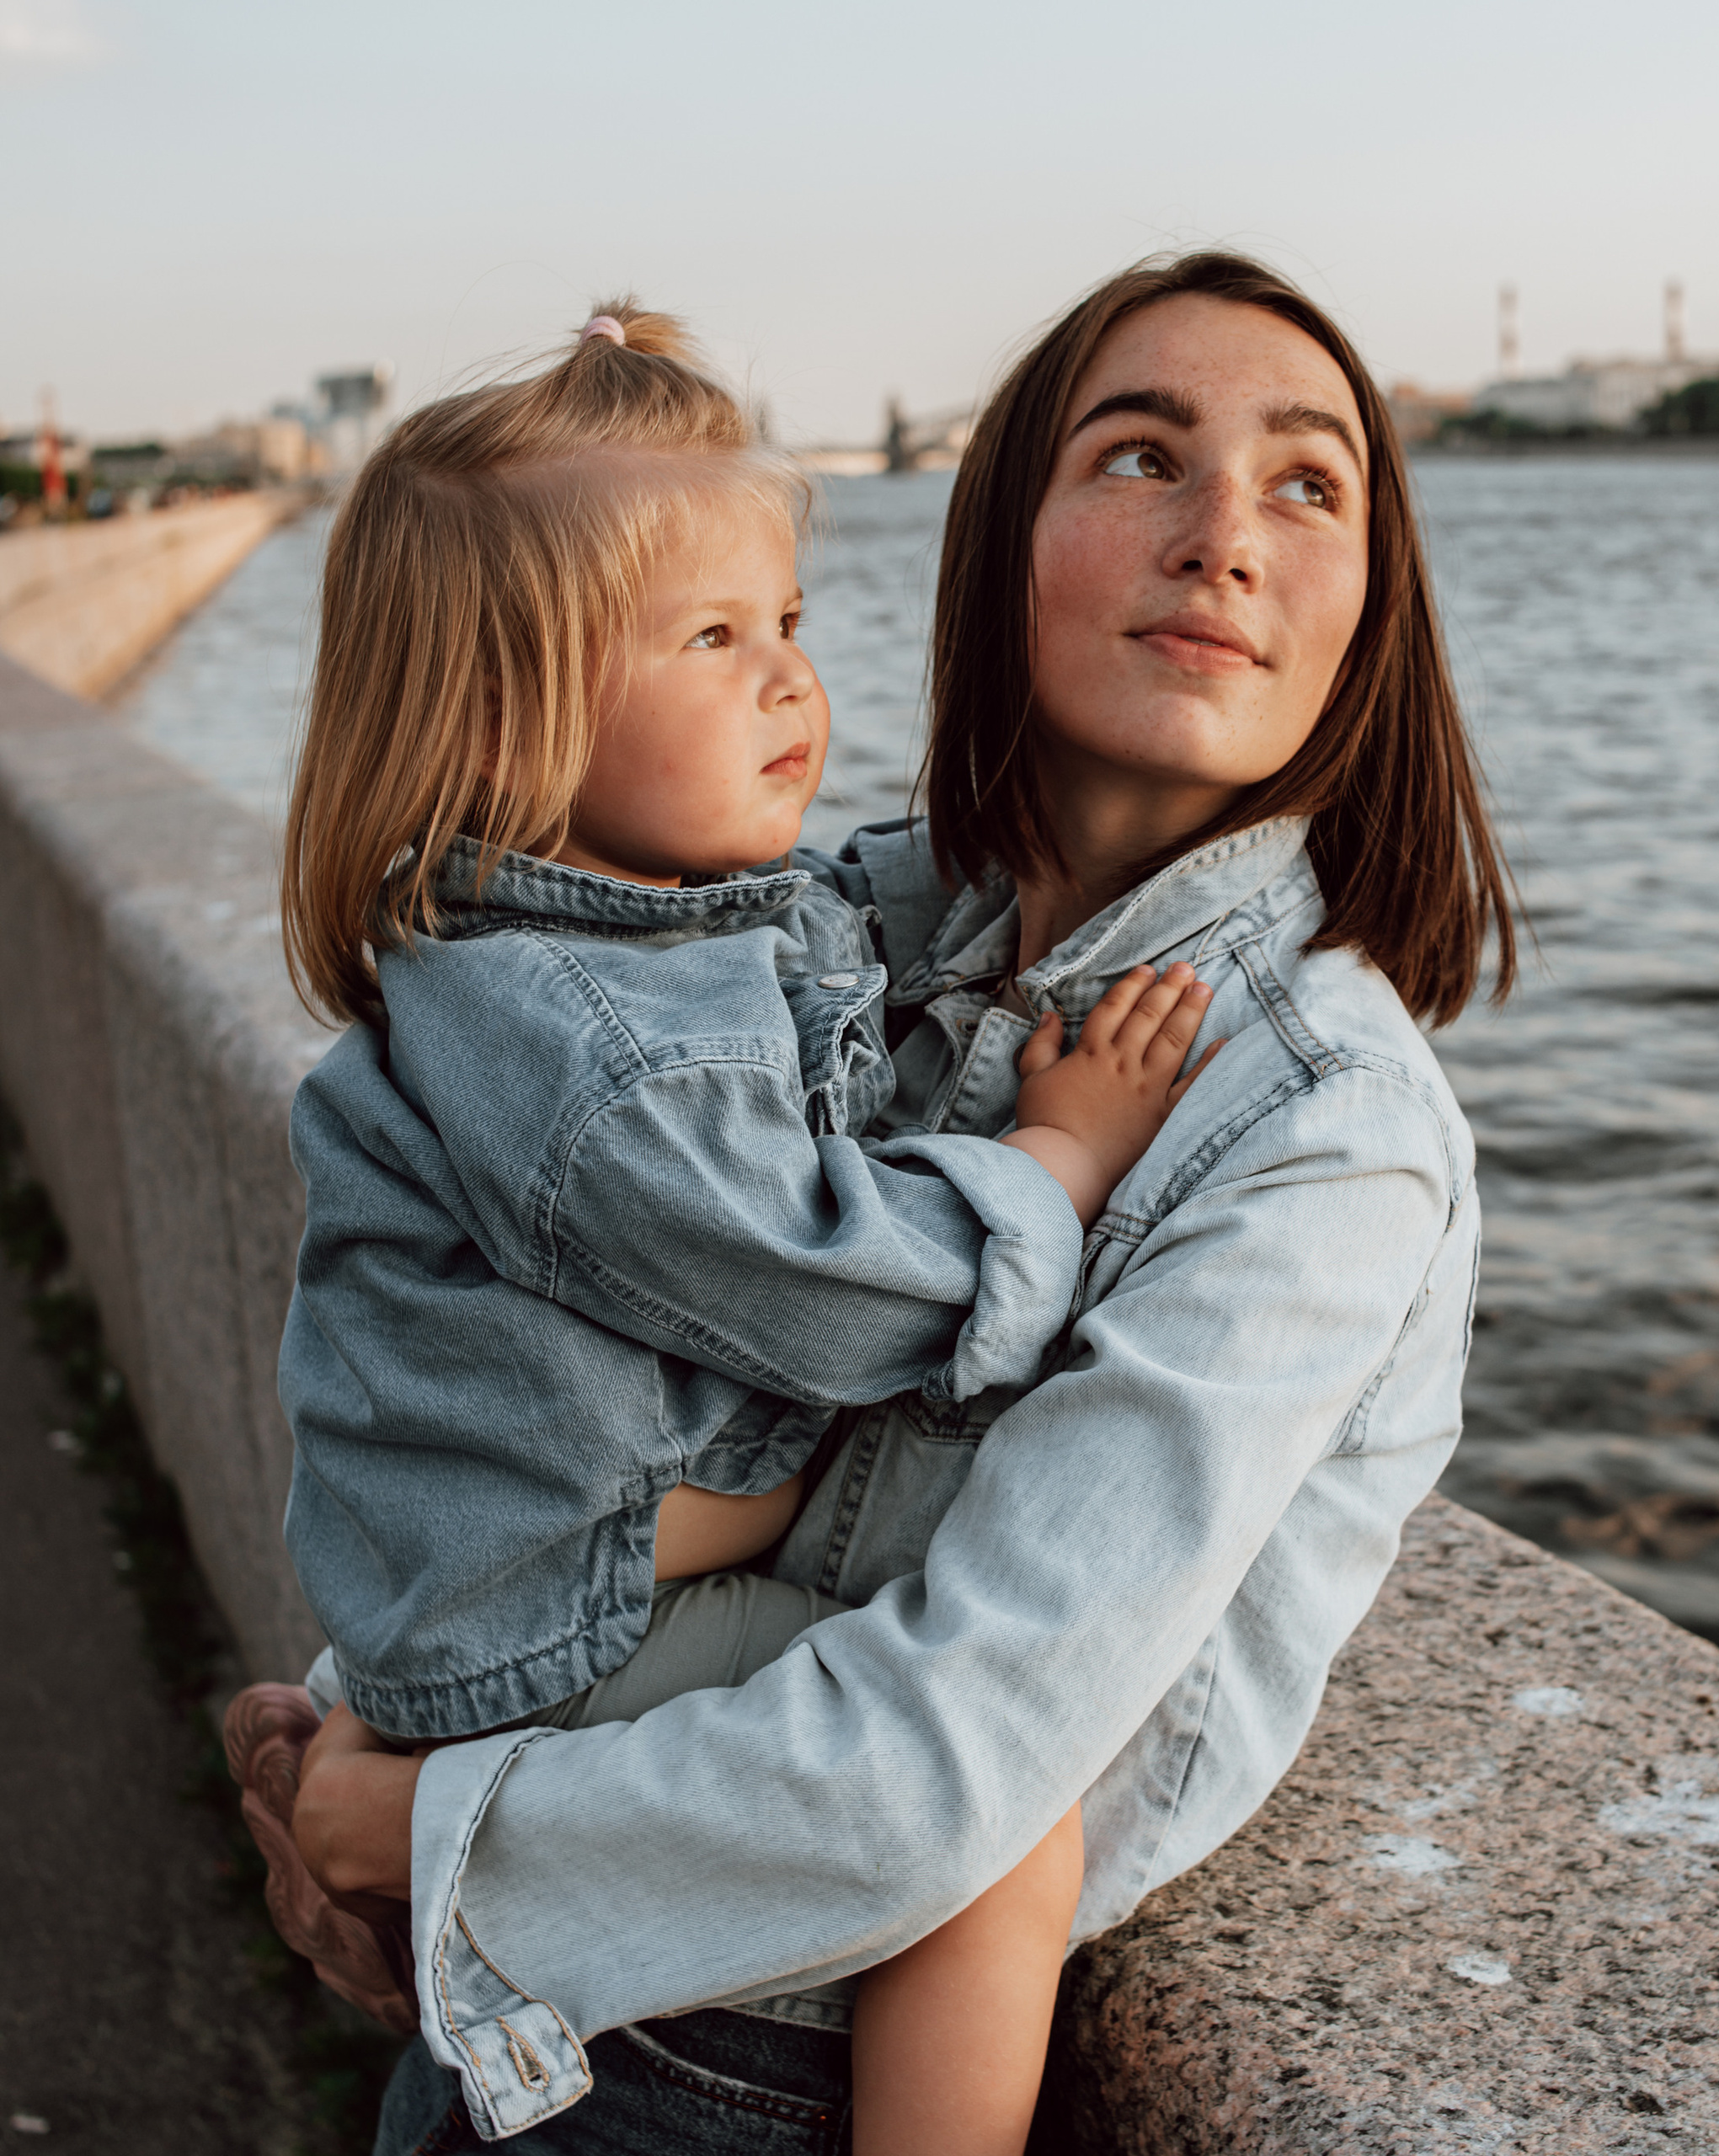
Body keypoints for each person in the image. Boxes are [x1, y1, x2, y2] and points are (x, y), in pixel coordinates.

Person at [295, 249, 1517, 2153]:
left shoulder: (1322, 1128)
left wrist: (431, 1816)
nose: (1219, 538)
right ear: (999, 538)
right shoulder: (815, 928)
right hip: (551, 1993)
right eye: (1137, 459)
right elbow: (513, 1373)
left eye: (1304, 483)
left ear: (1370, 609)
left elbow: (951, 1763)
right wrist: (365, 1713)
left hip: (760, 2058)